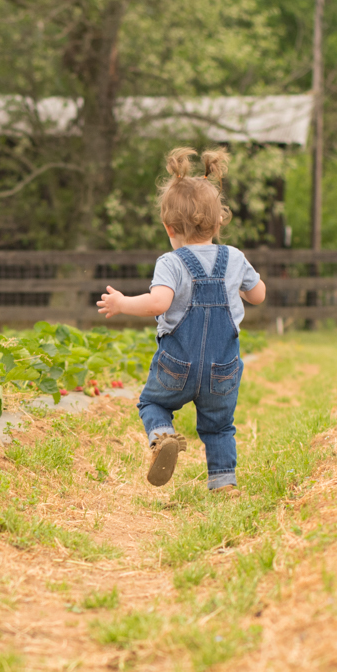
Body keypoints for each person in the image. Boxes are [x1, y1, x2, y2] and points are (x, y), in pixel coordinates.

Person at [95, 147, 267, 495]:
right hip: (222, 367)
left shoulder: (171, 262)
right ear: (219, 221)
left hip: (177, 366)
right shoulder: (234, 257)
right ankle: (223, 481)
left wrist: (123, 302)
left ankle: (161, 437)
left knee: (152, 403)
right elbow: (259, 294)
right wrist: (245, 286)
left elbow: (159, 303)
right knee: (219, 426)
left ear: (169, 226)